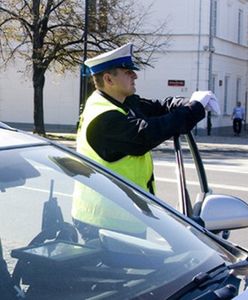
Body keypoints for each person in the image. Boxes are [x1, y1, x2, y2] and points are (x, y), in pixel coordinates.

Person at [72, 43, 220, 240]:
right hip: (104, 222)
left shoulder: (121, 102)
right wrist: (195, 109)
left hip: (123, 217)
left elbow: (161, 107)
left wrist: (189, 103)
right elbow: (149, 133)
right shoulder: (104, 118)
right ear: (108, 79)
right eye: (128, 72)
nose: (135, 76)